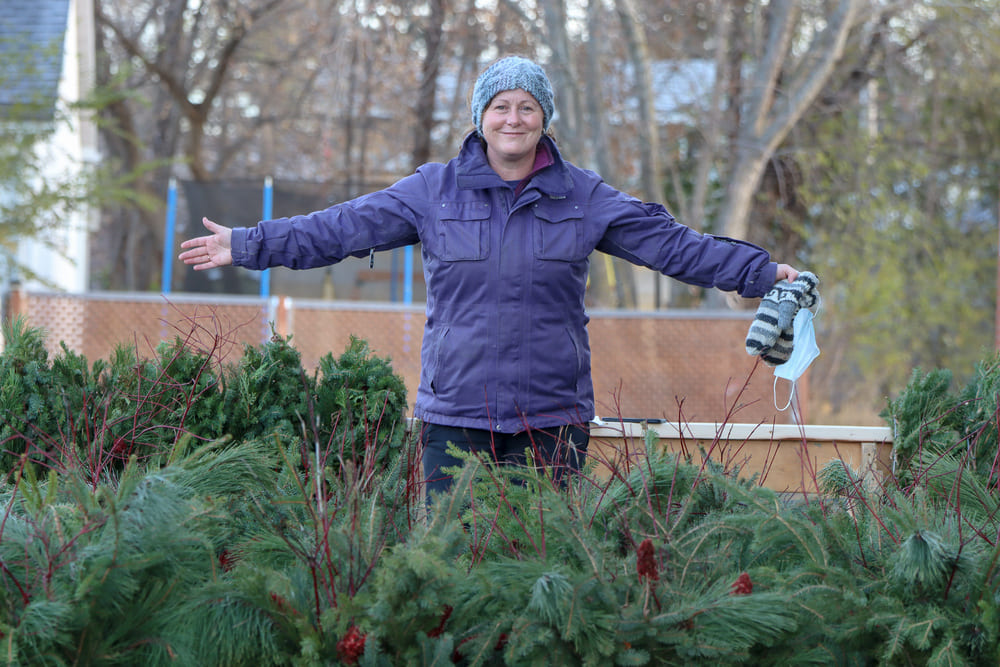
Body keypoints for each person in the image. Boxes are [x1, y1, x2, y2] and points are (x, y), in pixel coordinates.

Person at [179, 55, 800, 499]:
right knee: (451, 574)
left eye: (527, 107)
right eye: (500, 106)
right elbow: (341, 228)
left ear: (543, 119)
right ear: (481, 117)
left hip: (551, 419)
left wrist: (761, 271)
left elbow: (672, 247)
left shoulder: (584, 197)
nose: (513, 118)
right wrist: (246, 244)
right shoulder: (432, 191)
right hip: (456, 415)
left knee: (537, 572)